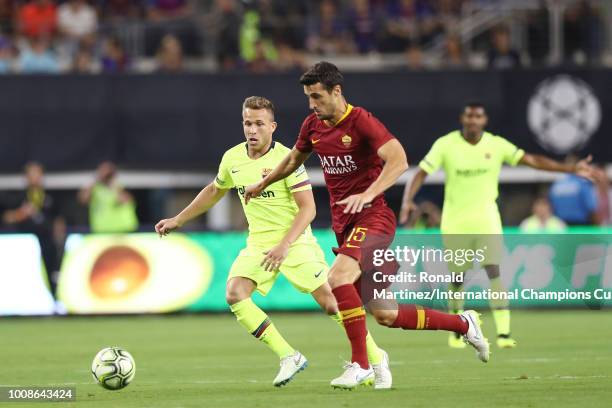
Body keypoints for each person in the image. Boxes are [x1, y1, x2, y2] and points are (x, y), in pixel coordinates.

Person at [245, 62, 489, 390]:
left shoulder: (361, 121)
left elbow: (399, 159)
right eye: (307, 98)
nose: (312, 104)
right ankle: (463, 323)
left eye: (317, 96)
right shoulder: (312, 125)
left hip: (374, 217)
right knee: (385, 313)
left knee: (337, 278)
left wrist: (369, 193)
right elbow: (292, 160)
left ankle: (361, 364)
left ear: (336, 91)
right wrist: (264, 183)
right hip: (346, 226)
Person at [154, 96, 389, 388]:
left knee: (331, 303)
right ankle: (289, 356)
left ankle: (376, 358)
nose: (252, 130)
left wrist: (285, 245)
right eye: (247, 123)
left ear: (272, 127)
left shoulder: (288, 159)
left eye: (259, 124)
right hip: (258, 243)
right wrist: (179, 219)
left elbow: (309, 209)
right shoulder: (232, 158)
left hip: (296, 241)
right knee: (235, 293)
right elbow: (215, 189)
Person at [400, 101, 595, 349]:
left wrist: (569, 168)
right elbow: (421, 173)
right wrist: (407, 199)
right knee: (458, 277)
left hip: (487, 219)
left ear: (484, 120)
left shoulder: (496, 144)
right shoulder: (446, 144)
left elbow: (532, 160)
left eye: (477, 117)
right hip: (456, 222)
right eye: (469, 116)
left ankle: (503, 333)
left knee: (494, 270)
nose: (473, 120)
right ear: (463, 118)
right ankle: (456, 331)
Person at [2, 162, 65, 299]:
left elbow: (58, 219)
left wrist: (58, 234)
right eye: (31, 174)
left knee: (52, 271)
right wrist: (21, 213)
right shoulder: (17, 197)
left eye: (37, 174)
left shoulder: (50, 197)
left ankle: (53, 300)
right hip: (25, 244)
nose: (35, 177)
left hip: (47, 242)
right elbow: (6, 218)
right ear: (26, 177)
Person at [78, 161, 139, 233]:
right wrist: (93, 182)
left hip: (124, 230)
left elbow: (125, 200)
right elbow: (82, 199)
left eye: (107, 173)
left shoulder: (121, 186)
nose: (104, 176)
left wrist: (112, 185)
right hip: (102, 231)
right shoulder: (95, 188)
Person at [549, 155, 600, 226]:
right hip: (580, 226)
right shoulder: (582, 183)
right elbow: (592, 208)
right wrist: (598, 228)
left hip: (561, 226)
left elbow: (551, 207)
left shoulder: (556, 185)